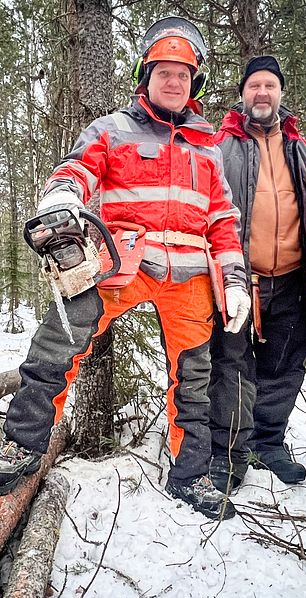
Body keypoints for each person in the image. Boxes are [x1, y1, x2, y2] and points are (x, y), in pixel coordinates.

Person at [0, 17, 250, 521]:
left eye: (183, 73)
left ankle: (191, 470)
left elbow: (223, 219)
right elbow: (75, 168)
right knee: (57, 343)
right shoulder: (112, 128)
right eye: (164, 71)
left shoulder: (208, 144)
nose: (173, 81)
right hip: (122, 263)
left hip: (191, 275)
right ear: (146, 74)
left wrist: (236, 278)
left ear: (194, 81)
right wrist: (62, 194)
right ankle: (21, 444)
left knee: (195, 376)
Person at [207, 56, 306, 492]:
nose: (262, 93)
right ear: (243, 94)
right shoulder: (219, 146)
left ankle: (268, 442)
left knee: (284, 365)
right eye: (254, 86)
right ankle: (229, 450)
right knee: (232, 364)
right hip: (237, 278)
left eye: (270, 85)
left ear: (280, 93)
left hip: (292, 277)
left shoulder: (302, 149)